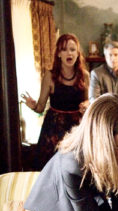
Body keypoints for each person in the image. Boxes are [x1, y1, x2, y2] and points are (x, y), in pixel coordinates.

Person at [21, 33, 89, 169]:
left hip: (77, 130)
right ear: (58, 54)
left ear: (77, 53)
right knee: (50, 169)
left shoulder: (84, 75)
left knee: (76, 169)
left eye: (72, 49)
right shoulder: (50, 76)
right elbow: (40, 107)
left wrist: (87, 105)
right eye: (64, 49)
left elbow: (88, 102)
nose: (69, 53)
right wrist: (33, 106)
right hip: (54, 129)